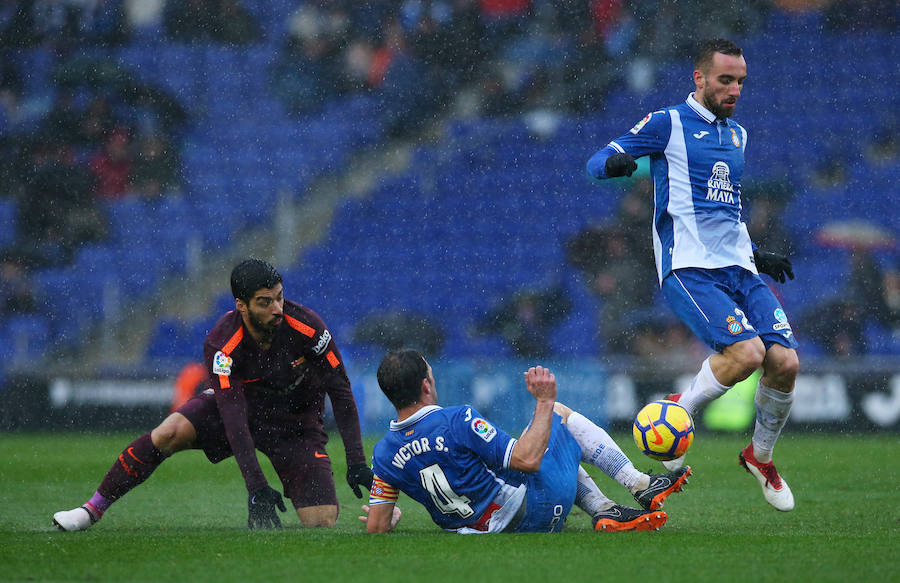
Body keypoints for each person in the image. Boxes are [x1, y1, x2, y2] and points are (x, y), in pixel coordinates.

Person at [586, 38, 799, 511]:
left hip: (739, 267)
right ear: (699, 79)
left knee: (785, 363)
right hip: (689, 267)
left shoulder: (738, 135)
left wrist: (757, 255)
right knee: (747, 353)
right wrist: (616, 164)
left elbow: (725, 206)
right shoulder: (667, 122)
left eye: (741, 81)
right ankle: (678, 410)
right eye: (726, 80)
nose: (734, 89)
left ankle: (759, 457)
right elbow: (596, 161)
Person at [53, 258, 374, 531]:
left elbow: (341, 391)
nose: (277, 308)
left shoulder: (309, 328)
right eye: (265, 301)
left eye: (279, 297)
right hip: (242, 411)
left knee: (320, 521)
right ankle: (91, 509)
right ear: (241, 305)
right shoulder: (222, 344)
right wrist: (256, 487)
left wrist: (357, 461)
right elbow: (233, 417)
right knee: (169, 432)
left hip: (295, 425)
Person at [360, 349, 692, 534]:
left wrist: (392, 520)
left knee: (543, 442)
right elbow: (527, 460)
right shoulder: (456, 420)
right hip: (534, 510)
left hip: (486, 529)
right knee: (557, 415)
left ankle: (606, 510)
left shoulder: (384, 454)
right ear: (426, 386)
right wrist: (544, 401)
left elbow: (376, 527)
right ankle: (638, 483)